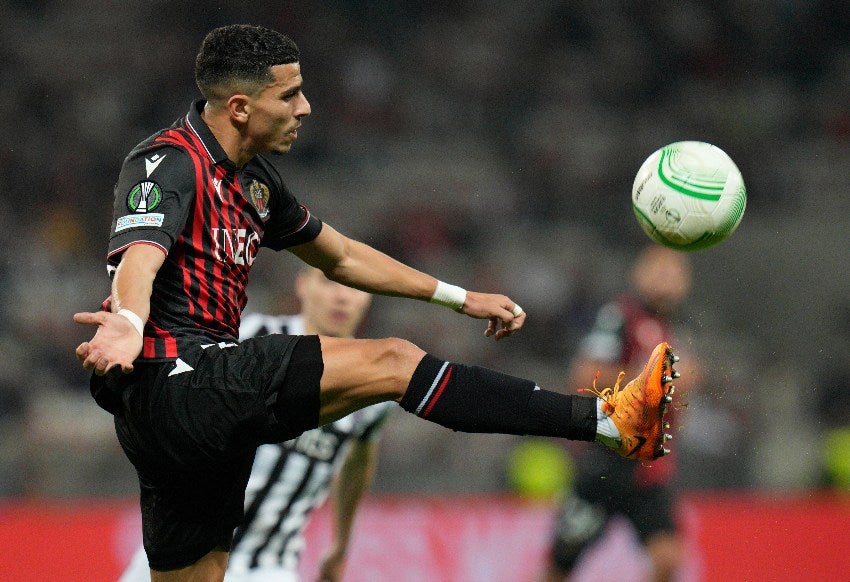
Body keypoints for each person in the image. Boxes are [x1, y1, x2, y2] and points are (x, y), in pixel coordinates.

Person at [73, 25, 678, 582]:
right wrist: (128, 321)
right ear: (240, 107)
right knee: (393, 361)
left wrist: (459, 298)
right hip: (183, 377)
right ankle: (605, 421)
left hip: (190, 418)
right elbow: (140, 256)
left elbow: (340, 256)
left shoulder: (255, 182)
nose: (305, 108)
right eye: (290, 95)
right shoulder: (167, 160)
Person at [119, 266, 389, 582]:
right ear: (302, 286)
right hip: (184, 547)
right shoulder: (253, 335)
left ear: (368, 297)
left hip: (267, 566)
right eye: (329, 282)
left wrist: (340, 545)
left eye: (354, 286)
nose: (342, 296)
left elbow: (358, 462)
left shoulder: (372, 390)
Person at [541, 244, 694, 582]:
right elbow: (585, 375)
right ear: (638, 275)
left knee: (668, 558)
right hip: (605, 463)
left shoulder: (674, 327)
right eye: (659, 270)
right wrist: (647, 378)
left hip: (648, 468)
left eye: (674, 273)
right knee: (560, 566)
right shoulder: (620, 316)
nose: (667, 280)